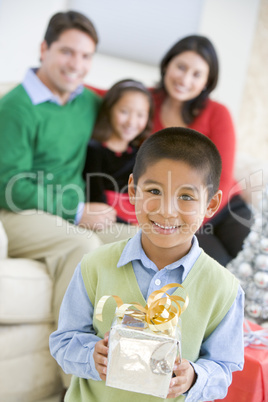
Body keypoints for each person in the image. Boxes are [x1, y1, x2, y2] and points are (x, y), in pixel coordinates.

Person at [50, 127, 244, 402]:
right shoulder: (94, 266)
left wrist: (194, 378)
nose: (167, 210)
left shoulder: (224, 289)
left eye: (186, 197)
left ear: (211, 204)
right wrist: (91, 357)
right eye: (154, 190)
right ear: (132, 190)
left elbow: (225, 368)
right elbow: (64, 341)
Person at [0, 11, 137, 342]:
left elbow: (131, 105)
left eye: (86, 55)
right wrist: (77, 211)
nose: (76, 63)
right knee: (81, 243)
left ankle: (132, 360)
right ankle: (72, 377)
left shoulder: (88, 101)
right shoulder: (15, 107)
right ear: (44, 49)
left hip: (70, 211)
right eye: (67, 51)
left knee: (138, 243)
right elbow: (9, 187)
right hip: (17, 214)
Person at [150, 35, 252, 266]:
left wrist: (199, 215)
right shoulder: (145, 102)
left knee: (257, 263)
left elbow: (223, 177)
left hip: (226, 207)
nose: (185, 79)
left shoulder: (217, 113)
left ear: (207, 81)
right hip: (181, 215)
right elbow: (102, 95)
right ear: (167, 65)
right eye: (181, 67)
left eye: (196, 74)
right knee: (221, 272)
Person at [83, 79, 154, 225]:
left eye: (140, 115)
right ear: (109, 109)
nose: (131, 122)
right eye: (124, 112)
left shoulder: (140, 155)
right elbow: (95, 198)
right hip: (109, 219)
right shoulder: (94, 150)